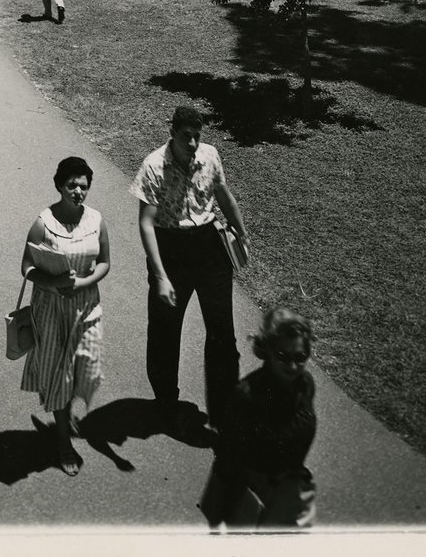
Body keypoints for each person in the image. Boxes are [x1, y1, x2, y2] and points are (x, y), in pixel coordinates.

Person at [130, 103, 248, 431]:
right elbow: (146, 224)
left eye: (197, 136)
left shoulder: (210, 155)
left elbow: (223, 195)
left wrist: (241, 231)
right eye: (186, 137)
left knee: (223, 331)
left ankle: (225, 409)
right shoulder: (153, 166)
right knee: (165, 332)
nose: (193, 144)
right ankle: (166, 402)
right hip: (171, 248)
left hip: (210, 247)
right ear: (172, 133)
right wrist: (161, 276)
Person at [21, 156, 111, 477]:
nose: (78, 191)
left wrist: (83, 283)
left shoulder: (96, 220)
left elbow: (104, 262)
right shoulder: (43, 223)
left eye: (83, 186)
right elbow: (27, 267)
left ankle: (67, 411)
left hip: (86, 304)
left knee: (88, 365)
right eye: (71, 185)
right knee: (60, 374)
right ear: (60, 185)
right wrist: (55, 283)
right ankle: (62, 439)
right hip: (51, 307)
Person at [202, 308, 317, 531]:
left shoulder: (305, 385)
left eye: (300, 356)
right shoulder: (246, 395)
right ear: (267, 352)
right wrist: (217, 514)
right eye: (283, 357)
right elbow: (227, 455)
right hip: (250, 491)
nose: (293, 366)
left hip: (288, 488)